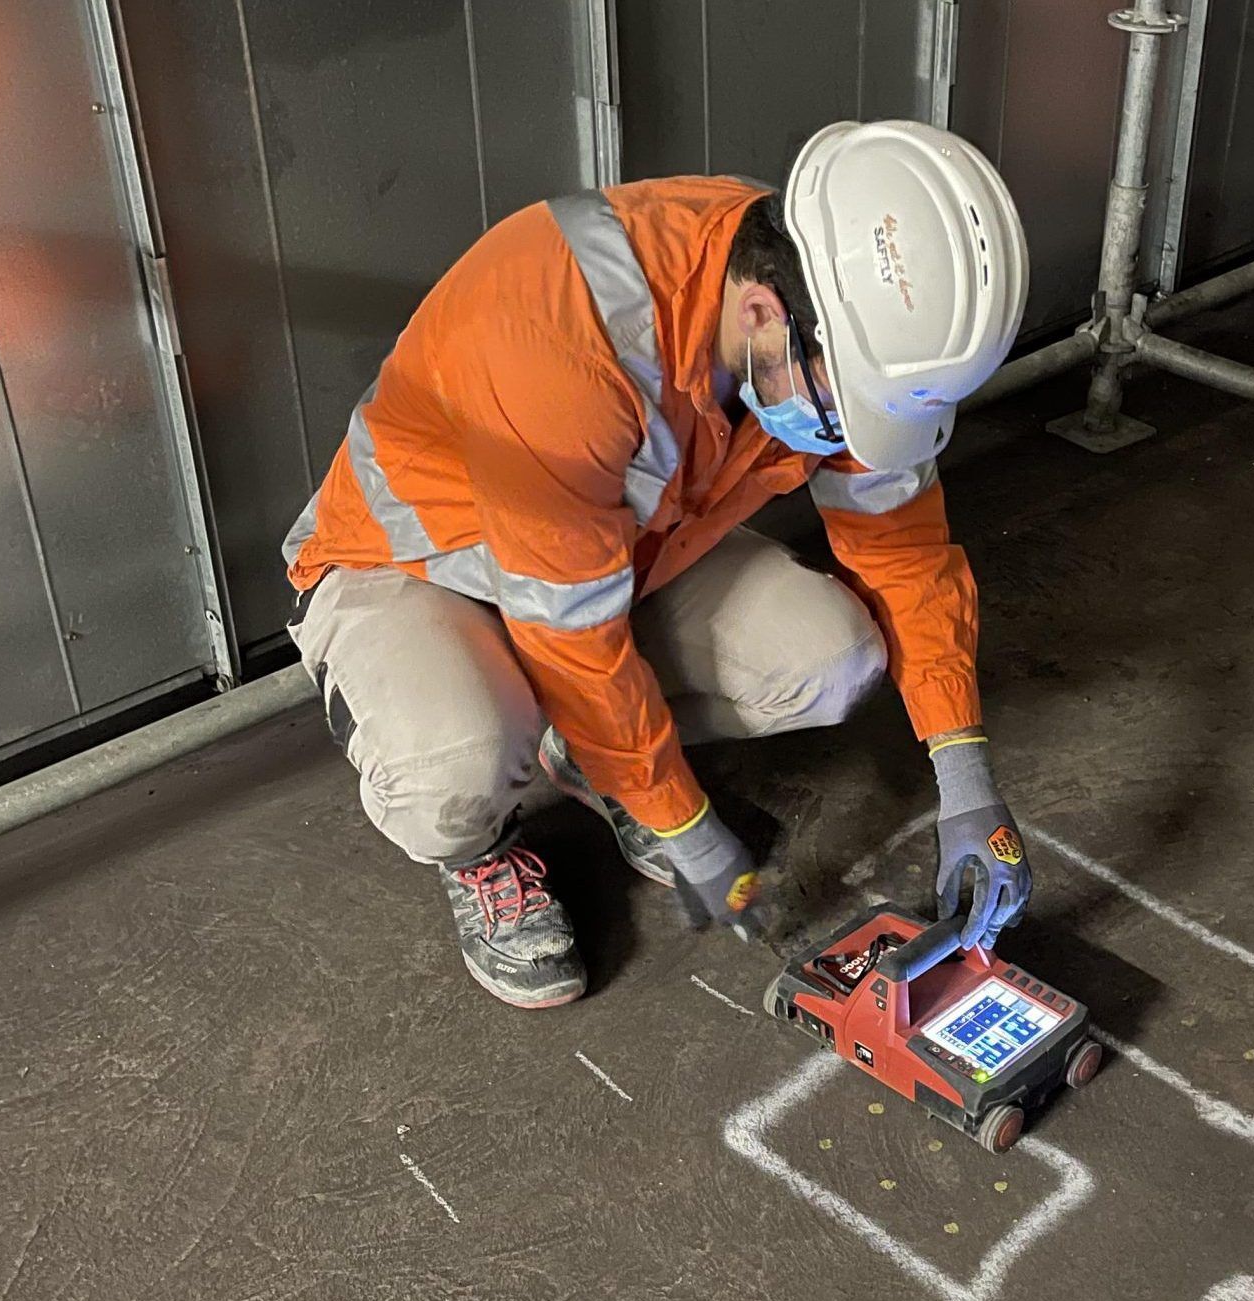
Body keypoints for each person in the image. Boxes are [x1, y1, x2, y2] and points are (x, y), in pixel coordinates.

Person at [282, 120, 1033, 1008]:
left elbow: (904, 547)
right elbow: (574, 647)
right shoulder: (564, 343)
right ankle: (483, 849)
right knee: (458, 767)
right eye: (846, 410)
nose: (848, 434)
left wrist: (966, 778)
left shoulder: (825, 307)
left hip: (609, 561)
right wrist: (688, 824)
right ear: (760, 314)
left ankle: (590, 760)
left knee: (832, 660)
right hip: (418, 563)